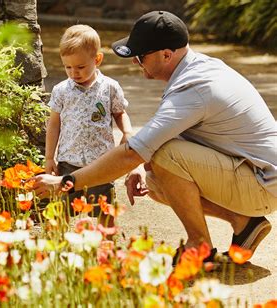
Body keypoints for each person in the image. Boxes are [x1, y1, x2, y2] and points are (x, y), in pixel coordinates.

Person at [34, 11, 277, 260]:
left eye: (141, 56)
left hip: (261, 182)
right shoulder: (200, 67)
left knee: (162, 155)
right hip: (256, 172)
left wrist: (67, 182)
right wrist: (140, 165)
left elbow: (133, 152)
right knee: (153, 181)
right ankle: (244, 221)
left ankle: (199, 246)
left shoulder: (192, 90)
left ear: (166, 55)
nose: (135, 63)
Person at [44, 24, 133, 227]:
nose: (74, 73)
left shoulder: (110, 87)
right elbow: (54, 124)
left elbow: (120, 113)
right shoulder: (61, 91)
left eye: (81, 67)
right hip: (69, 162)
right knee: (61, 210)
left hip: (102, 164)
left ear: (97, 59)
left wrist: (127, 131)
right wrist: (50, 157)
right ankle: (58, 248)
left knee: (105, 211)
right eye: (68, 67)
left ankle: (106, 247)